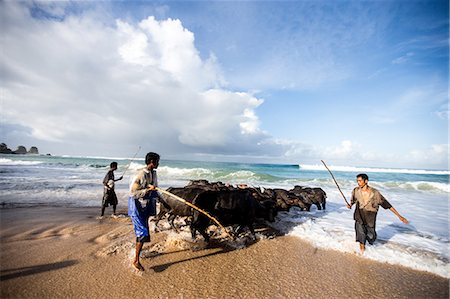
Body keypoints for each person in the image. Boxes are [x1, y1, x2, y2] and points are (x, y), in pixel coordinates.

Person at [347, 173, 409, 254]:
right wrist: (350, 205)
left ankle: (369, 245)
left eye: (360, 181)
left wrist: (399, 216)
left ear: (366, 181)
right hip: (359, 216)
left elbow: (387, 205)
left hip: (370, 218)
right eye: (357, 181)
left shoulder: (375, 193)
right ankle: (362, 253)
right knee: (361, 236)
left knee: (371, 237)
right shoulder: (355, 190)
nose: (358, 183)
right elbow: (353, 200)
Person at [128, 152, 161, 271]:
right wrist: (147, 190)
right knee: (143, 232)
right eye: (157, 161)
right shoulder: (141, 174)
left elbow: (155, 189)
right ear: (152, 161)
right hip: (136, 205)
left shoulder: (154, 173)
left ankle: (138, 252)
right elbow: (133, 193)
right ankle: (136, 260)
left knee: (144, 231)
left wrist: (160, 198)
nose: (158, 163)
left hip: (145, 204)